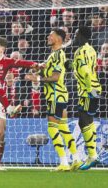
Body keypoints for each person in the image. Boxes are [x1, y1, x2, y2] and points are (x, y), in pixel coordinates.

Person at [0, 36, 40, 170]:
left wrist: (36, 64)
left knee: (1, 133)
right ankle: (10, 108)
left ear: (3, 49)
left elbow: (21, 63)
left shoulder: (7, 62)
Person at [25, 28, 81, 171]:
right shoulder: (53, 55)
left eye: (51, 35)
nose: (48, 37)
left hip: (56, 95)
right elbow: (48, 72)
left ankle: (63, 162)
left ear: (58, 38)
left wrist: (36, 78)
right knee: (63, 128)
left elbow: (55, 78)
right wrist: (37, 69)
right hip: (59, 95)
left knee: (52, 128)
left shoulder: (58, 55)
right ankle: (76, 159)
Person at [72, 26, 102, 170]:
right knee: (84, 121)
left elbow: (85, 71)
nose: (75, 36)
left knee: (85, 121)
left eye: (76, 34)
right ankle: (92, 155)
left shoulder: (81, 51)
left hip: (87, 90)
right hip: (92, 87)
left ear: (82, 36)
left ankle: (93, 156)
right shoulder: (91, 49)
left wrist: (91, 90)